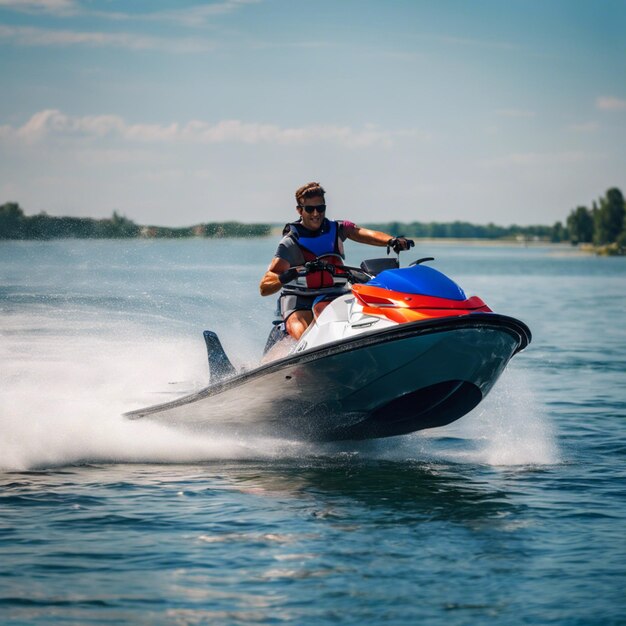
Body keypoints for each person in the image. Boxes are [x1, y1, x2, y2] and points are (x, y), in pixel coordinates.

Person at [259, 182, 414, 340]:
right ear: (300, 210)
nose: (316, 214)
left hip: (336, 294)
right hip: (300, 299)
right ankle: (305, 352)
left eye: (320, 208)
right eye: (309, 209)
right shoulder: (290, 242)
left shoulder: (337, 229)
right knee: (301, 331)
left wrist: (391, 241)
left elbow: (361, 233)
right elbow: (264, 287)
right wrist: (291, 273)